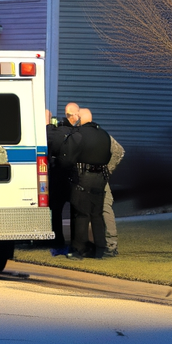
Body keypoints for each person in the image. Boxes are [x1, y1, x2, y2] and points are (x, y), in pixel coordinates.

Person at [62, 108, 121, 259]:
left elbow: (68, 157)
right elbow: (118, 151)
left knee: (83, 213)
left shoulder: (78, 135)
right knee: (98, 214)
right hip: (100, 177)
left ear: (79, 118)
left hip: (84, 176)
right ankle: (103, 248)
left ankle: (82, 249)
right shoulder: (104, 134)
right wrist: (107, 170)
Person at [46, 103, 79, 255]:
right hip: (72, 177)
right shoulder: (78, 133)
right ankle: (75, 242)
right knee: (76, 211)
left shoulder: (55, 132)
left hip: (56, 176)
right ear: (73, 115)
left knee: (56, 211)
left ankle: (57, 241)